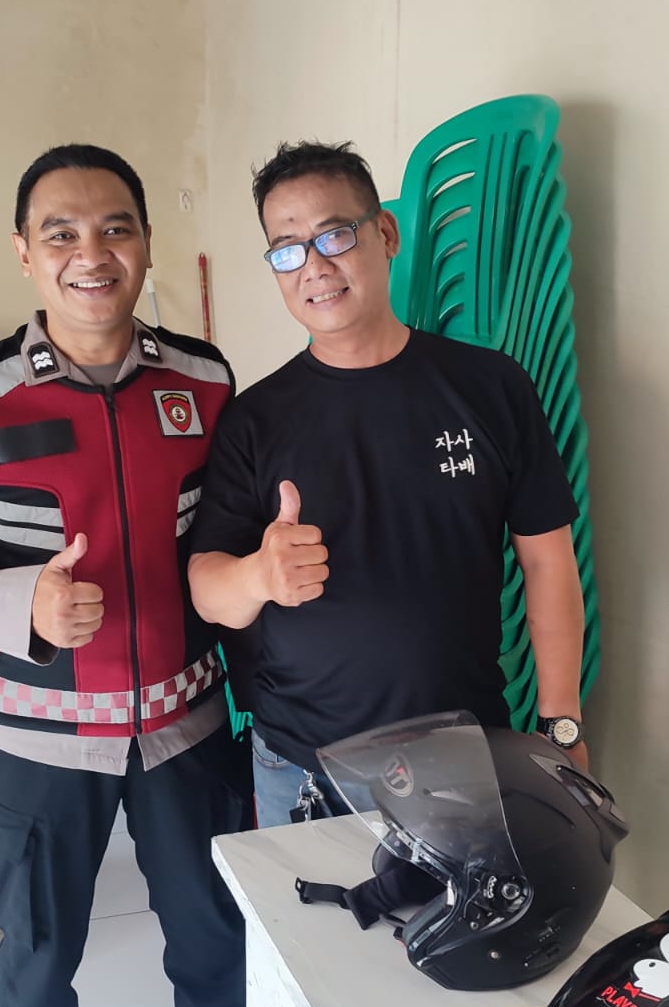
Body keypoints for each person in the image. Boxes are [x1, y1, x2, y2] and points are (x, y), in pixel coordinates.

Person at [0, 144, 248, 1007]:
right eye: (61, 234)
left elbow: (232, 536)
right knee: (38, 960)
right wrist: (26, 605)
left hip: (187, 730)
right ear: (24, 252)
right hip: (38, 742)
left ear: (147, 243)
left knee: (220, 941)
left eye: (115, 229)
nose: (92, 254)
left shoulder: (206, 383)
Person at [187, 141, 589, 829]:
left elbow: (548, 562)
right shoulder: (255, 419)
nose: (314, 267)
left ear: (386, 233)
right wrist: (259, 576)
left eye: (334, 235)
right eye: (287, 250)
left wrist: (562, 727)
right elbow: (207, 588)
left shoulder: (491, 388)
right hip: (303, 770)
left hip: (463, 762)